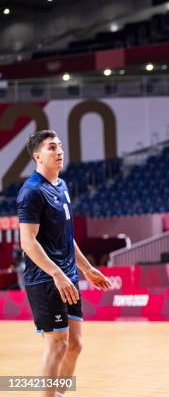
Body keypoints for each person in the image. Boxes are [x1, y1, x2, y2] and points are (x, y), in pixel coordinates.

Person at [17, 130, 112, 397]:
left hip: (67, 276)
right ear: (38, 156)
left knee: (75, 345)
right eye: (51, 148)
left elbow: (65, 238)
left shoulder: (62, 186)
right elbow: (28, 242)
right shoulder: (31, 192)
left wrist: (86, 268)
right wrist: (57, 274)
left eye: (59, 146)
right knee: (57, 344)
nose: (59, 151)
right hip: (46, 279)